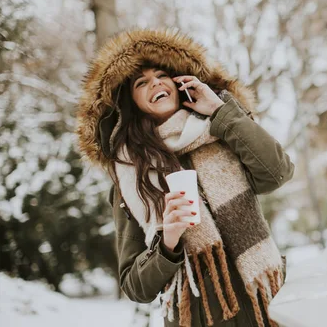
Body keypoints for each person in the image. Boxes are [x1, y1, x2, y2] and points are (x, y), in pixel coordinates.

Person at [76, 29, 295, 327]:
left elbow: (277, 172)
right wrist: (167, 242)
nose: (155, 82)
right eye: (142, 82)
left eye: (161, 74)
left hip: (266, 307)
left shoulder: (223, 133)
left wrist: (220, 111)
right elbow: (135, 286)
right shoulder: (130, 177)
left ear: (180, 82)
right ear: (132, 103)